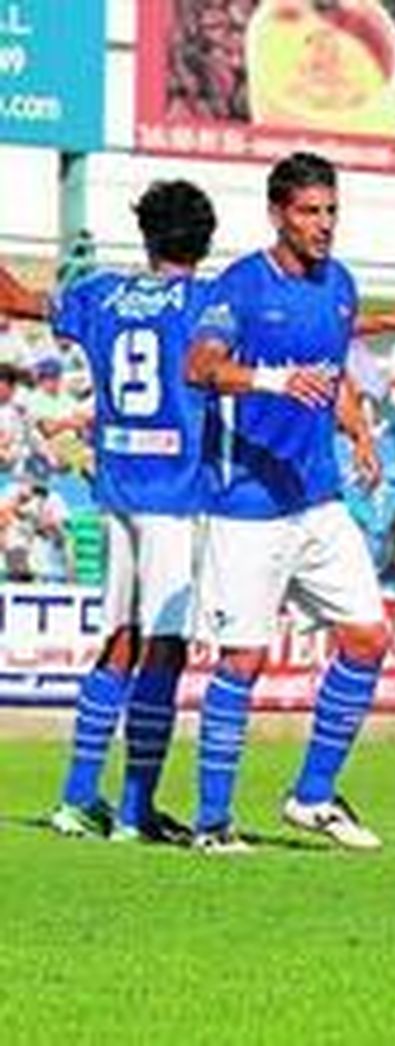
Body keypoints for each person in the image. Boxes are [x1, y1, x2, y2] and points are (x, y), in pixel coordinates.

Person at [184, 153, 394, 854]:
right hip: (246, 502)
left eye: (331, 210)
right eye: (309, 211)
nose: (324, 224)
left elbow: (333, 376)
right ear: (278, 213)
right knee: (243, 660)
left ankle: (312, 797)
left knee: (368, 637)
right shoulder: (241, 285)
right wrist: (273, 381)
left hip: (317, 497)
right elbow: (200, 366)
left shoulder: (340, 286)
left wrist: (359, 431)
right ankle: (213, 824)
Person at [0, 180, 219, 841]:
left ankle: (75, 798)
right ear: (204, 240)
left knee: (120, 638)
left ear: (147, 235)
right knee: (166, 645)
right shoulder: (207, 303)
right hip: (176, 495)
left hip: (117, 487)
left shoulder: (98, 294)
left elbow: (12, 299)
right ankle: (134, 809)